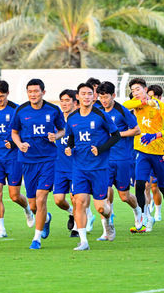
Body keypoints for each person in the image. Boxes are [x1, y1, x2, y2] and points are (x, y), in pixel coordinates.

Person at [10, 79, 65, 250]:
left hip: (48, 160)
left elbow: (63, 129)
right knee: (33, 205)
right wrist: (19, 145)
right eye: (30, 91)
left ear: (43, 92)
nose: (33, 94)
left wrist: (56, 136)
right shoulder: (20, 110)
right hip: (28, 161)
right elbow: (14, 133)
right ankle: (46, 219)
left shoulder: (53, 110)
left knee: (41, 199)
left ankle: (36, 238)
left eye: (36, 91)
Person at [64, 83, 120, 250]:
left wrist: (101, 149)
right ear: (78, 97)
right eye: (83, 94)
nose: (87, 97)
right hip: (79, 168)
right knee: (79, 202)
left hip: (99, 168)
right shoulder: (72, 118)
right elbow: (71, 137)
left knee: (101, 207)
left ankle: (108, 222)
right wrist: (69, 147)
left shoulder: (100, 115)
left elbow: (115, 136)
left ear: (93, 97)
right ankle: (83, 241)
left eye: (90, 94)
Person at [0, 80, 34, 238]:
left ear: (7, 94)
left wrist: (14, 143)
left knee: (14, 195)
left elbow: (24, 131)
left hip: (14, 158)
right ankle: (1, 230)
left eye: (2, 96)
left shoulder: (16, 110)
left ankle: (27, 209)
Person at [124, 78, 164, 235]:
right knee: (140, 184)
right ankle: (142, 219)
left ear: (145, 89)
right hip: (142, 151)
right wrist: (141, 102)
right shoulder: (136, 104)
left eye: (138, 89)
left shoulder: (159, 105)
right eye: (133, 90)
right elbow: (123, 106)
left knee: (163, 187)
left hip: (159, 152)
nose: (135, 93)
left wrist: (156, 135)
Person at [95, 81, 143, 238]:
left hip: (123, 158)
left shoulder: (122, 111)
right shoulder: (98, 112)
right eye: (101, 97)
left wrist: (117, 134)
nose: (103, 100)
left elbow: (136, 130)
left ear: (113, 96)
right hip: (105, 159)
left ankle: (138, 211)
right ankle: (107, 229)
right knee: (105, 193)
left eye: (106, 97)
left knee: (124, 196)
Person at [53, 89, 80, 237]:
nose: (64, 104)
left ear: (75, 103)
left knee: (76, 197)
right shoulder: (57, 122)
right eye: (62, 101)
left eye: (67, 100)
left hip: (76, 167)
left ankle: (77, 226)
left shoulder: (79, 120)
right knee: (58, 200)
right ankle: (71, 212)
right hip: (59, 167)